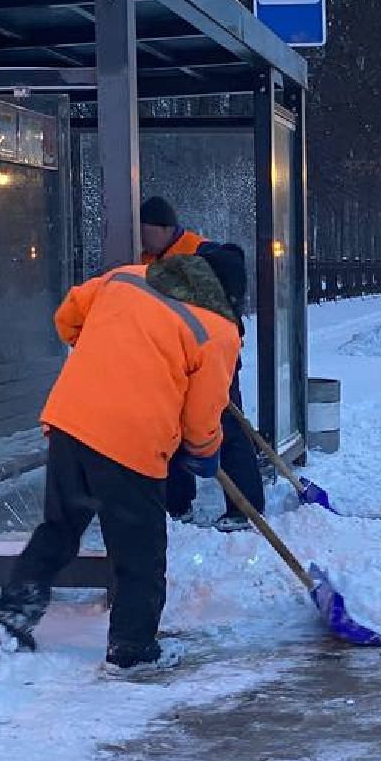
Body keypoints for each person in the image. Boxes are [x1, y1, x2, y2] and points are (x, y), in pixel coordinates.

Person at [0, 251, 241, 670]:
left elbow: (67, 318)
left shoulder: (125, 279)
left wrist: (109, 350)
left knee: (59, 528)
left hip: (73, 420)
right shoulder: (218, 332)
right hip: (132, 441)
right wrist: (206, 452)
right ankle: (132, 648)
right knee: (139, 552)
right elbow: (200, 424)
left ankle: (11, 619)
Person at [136, 196, 266, 531]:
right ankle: (177, 503)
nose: (142, 240)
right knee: (173, 427)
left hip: (212, 356)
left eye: (147, 233)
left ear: (166, 228)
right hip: (176, 358)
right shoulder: (151, 257)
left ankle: (245, 506)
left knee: (224, 426)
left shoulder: (201, 252)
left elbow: (231, 270)